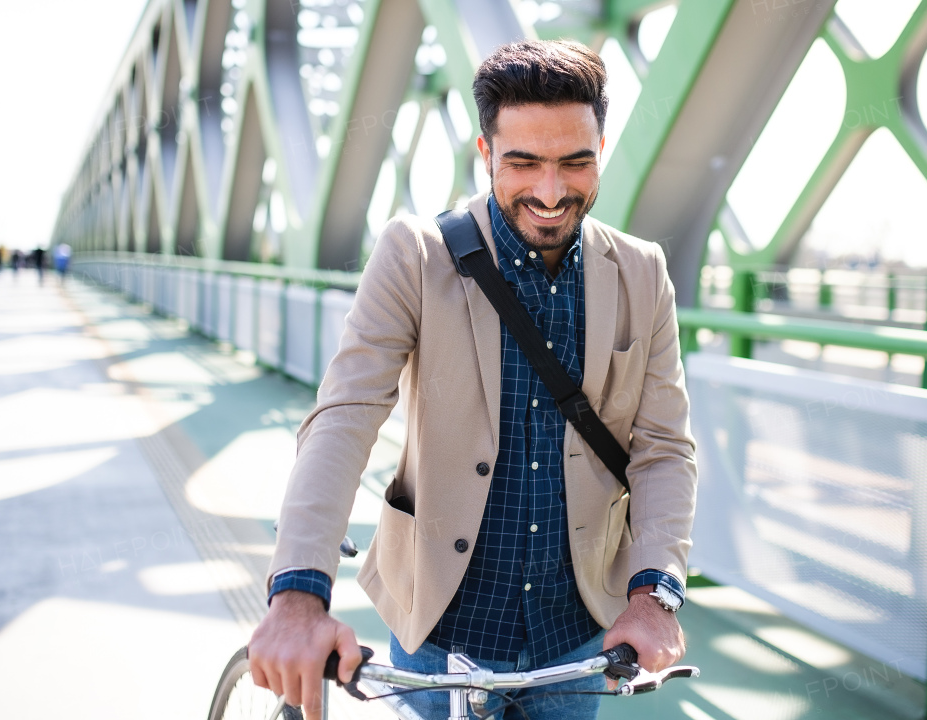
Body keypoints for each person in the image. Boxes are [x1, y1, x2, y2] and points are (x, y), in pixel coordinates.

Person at [249, 40, 697, 720]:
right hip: (439, 632)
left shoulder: (642, 272)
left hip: (578, 640)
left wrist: (654, 594)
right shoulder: (414, 255)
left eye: (575, 162)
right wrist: (297, 595)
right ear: (486, 155)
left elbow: (663, 447)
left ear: (601, 149)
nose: (551, 192)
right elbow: (345, 415)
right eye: (524, 164)